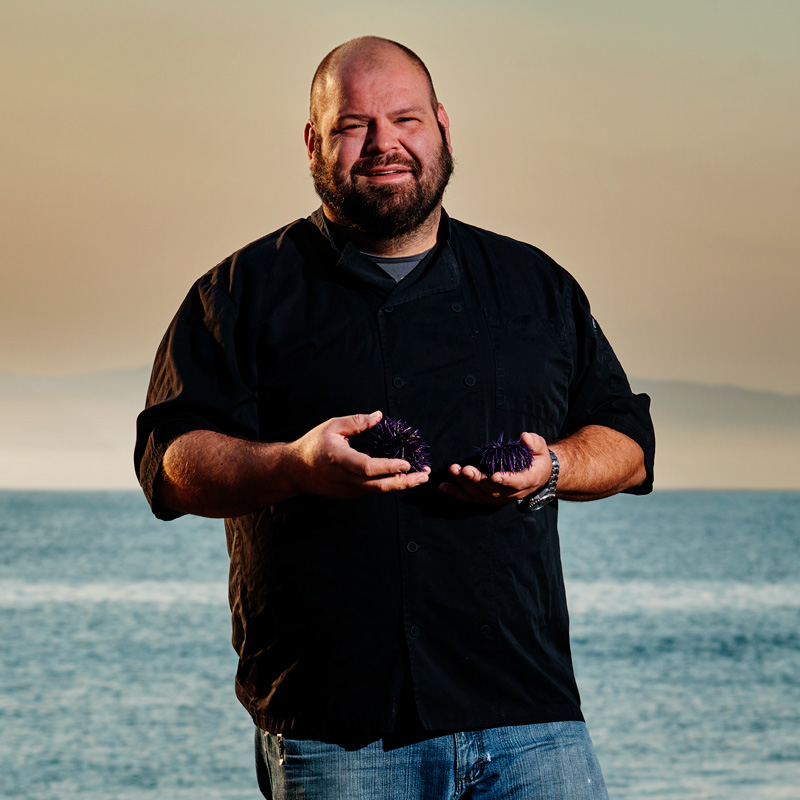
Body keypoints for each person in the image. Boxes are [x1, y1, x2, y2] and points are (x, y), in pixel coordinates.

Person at [135, 35, 655, 800]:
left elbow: (629, 443)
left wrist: (552, 469)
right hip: (340, 728)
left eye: (405, 119)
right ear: (314, 144)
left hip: (530, 719)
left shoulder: (535, 286)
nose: (384, 144)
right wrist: (295, 466)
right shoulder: (239, 293)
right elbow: (170, 465)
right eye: (353, 126)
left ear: (442, 125)